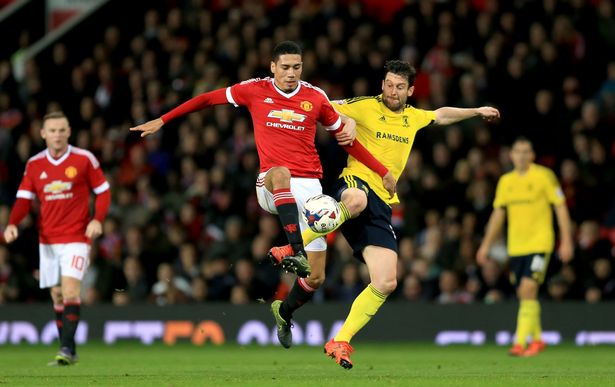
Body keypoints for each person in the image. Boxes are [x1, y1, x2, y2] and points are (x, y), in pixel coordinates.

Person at [269, 60, 500, 368]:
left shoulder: (413, 117)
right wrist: (313, 114)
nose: (393, 91)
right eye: (389, 85)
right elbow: (321, 106)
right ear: (382, 84)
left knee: (387, 280)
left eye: (400, 87)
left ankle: (341, 340)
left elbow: (441, 115)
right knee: (356, 199)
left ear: (411, 90)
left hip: (383, 203)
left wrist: (476, 110)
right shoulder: (363, 106)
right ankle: (292, 246)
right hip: (354, 183)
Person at [129, 39, 394, 303]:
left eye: (297, 67)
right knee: (280, 173)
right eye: (286, 67)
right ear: (273, 67)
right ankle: (296, 248)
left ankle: (284, 313)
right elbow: (208, 98)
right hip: (271, 182)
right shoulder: (254, 89)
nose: (291, 73)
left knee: (316, 277)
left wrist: (382, 171)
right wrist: (163, 119)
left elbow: (347, 141)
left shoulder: (315, 97)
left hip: (310, 188)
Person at [3, 111, 111, 365]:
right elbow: (23, 199)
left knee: (71, 289)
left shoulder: (84, 159)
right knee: (57, 295)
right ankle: (70, 351)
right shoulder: (34, 164)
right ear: (43, 134)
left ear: (69, 132)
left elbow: (103, 192)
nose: (57, 135)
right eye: (52, 130)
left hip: (77, 236)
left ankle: (65, 348)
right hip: (48, 240)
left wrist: (98, 219)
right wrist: (12, 223)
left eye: (62, 130)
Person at [476, 137, 573, 357]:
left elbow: (560, 207)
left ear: (532, 155)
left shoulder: (544, 176)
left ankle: (519, 343)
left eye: (525, 151)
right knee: (524, 294)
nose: (521, 155)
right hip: (516, 247)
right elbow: (498, 215)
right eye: (517, 151)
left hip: (540, 242)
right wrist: (485, 245)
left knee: (529, 288)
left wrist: (566, 240)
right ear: (511, 155)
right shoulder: (506, 181)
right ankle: (538, 340)